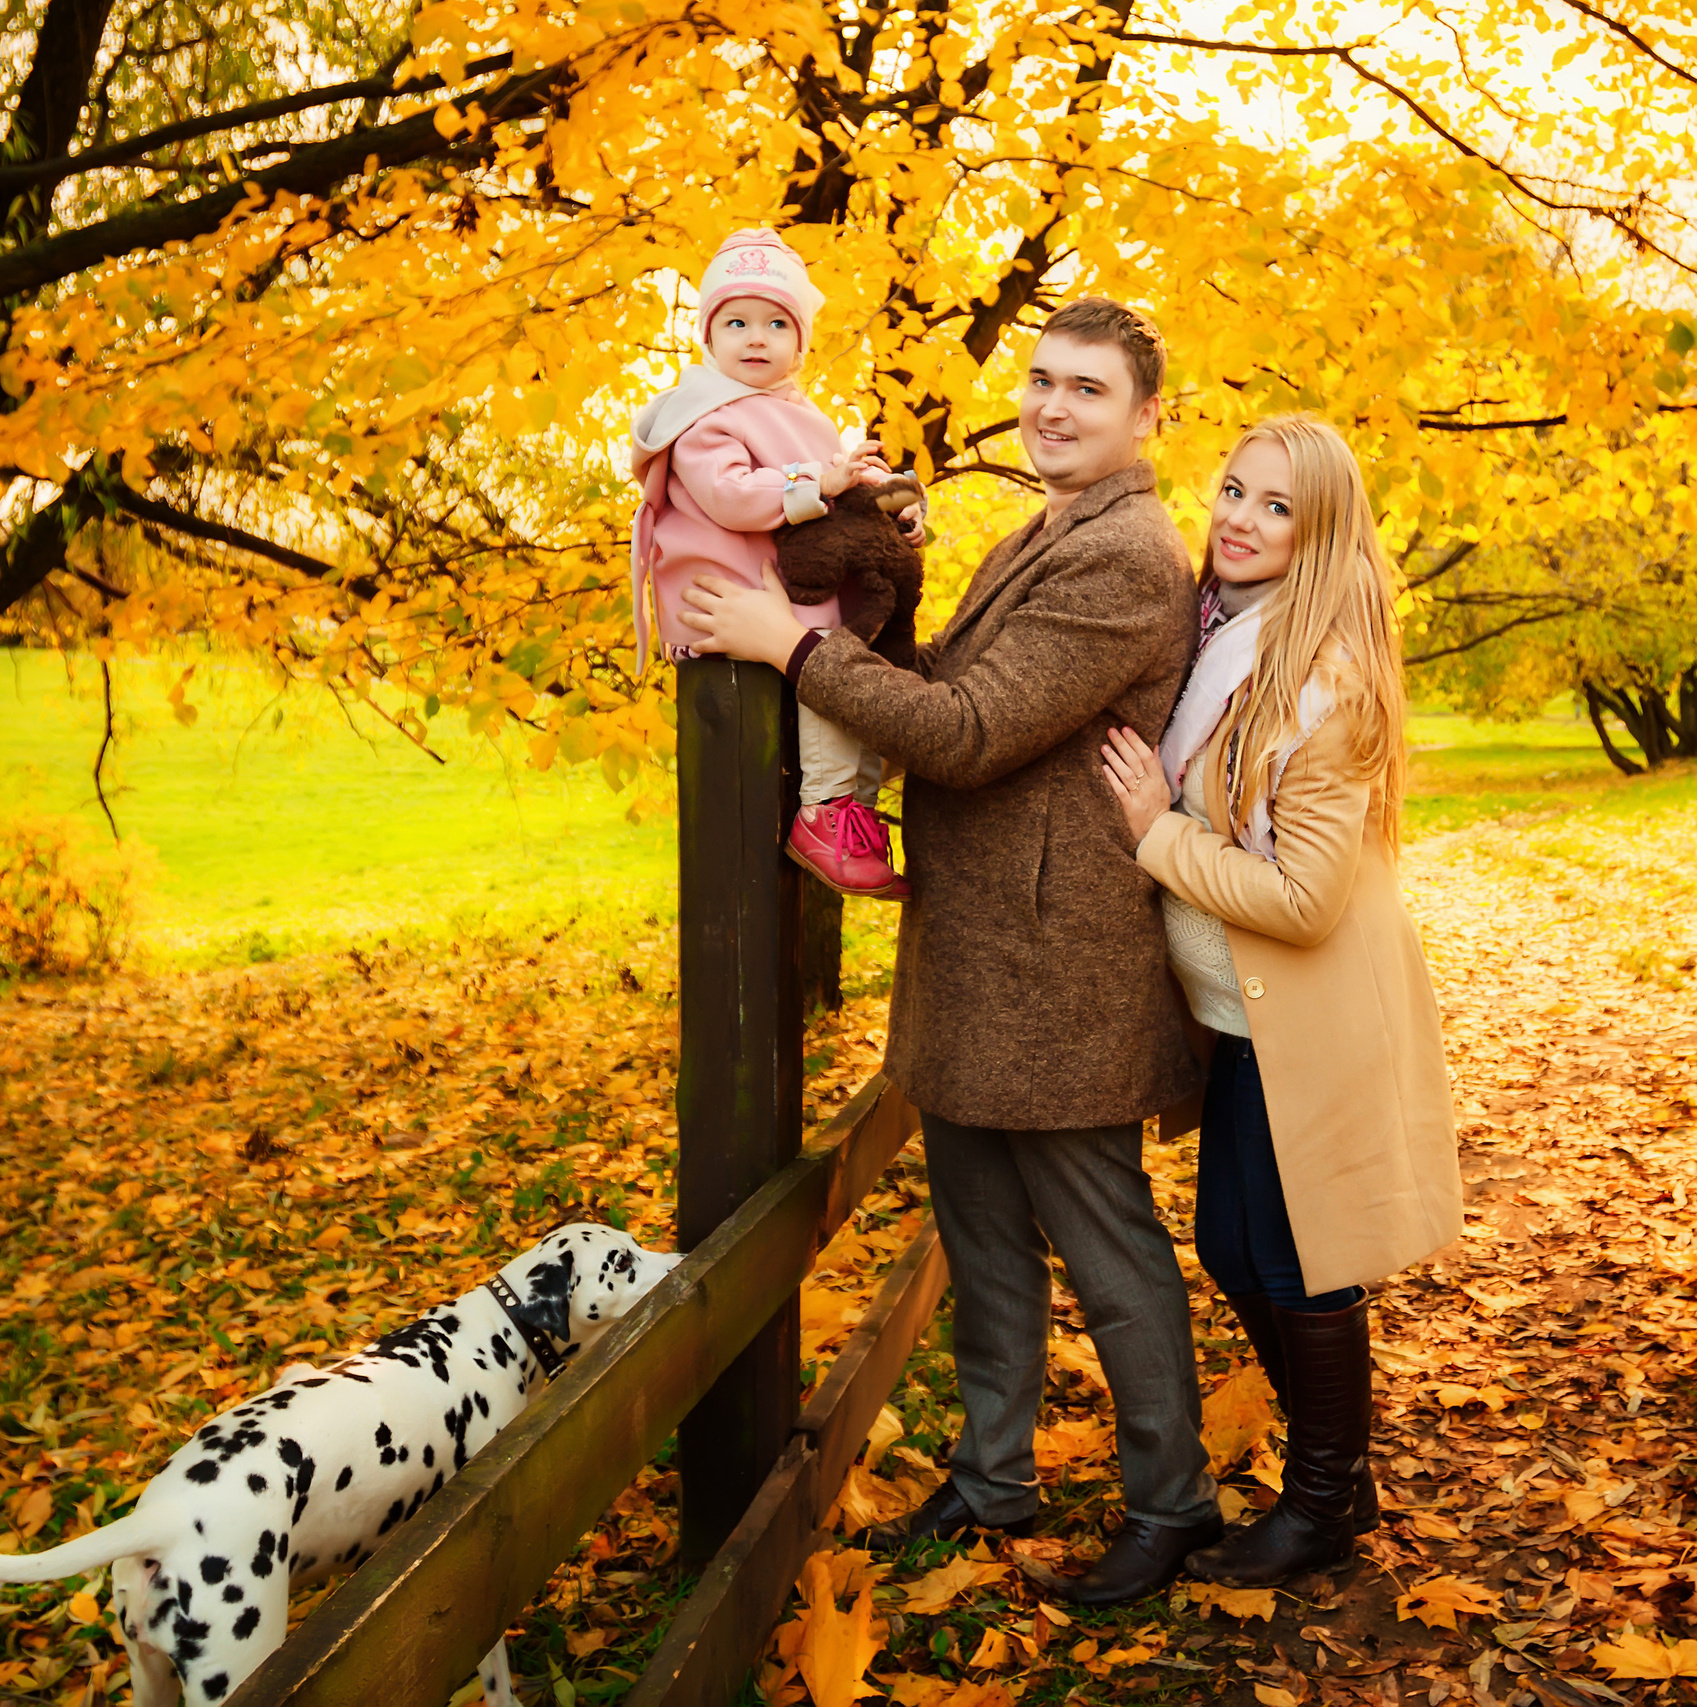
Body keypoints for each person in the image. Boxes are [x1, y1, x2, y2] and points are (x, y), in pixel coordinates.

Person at [680, 298, 1222, 1604]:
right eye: (1040, 381)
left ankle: (1174, 1500)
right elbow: (934, 684)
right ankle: (993, 1474)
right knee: (980, 1234)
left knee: (1106, 1242)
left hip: (1061, 966)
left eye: (1086, 389)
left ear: (1147, 416)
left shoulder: (1129, 557)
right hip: (979, 948)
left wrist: (788, 644)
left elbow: (972, 731)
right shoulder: (1041, 531)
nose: (1049, 405)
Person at [1099, 414, 1463, 1587]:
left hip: (1300, 1018)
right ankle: (1335, 1472)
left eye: (1277, 507)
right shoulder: (1227, 637)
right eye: (1235, 492)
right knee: (1234, 1246)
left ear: (1322, 534)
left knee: (1293, 1262)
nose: (1240, 521)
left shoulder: (1325, 681)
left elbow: (1303, 899)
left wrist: (1154, 833)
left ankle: (1322, 1504)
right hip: (1240, 1021)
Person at [629, 227, 911, 899]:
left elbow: (838, 488)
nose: (756, 337)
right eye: (736, 321)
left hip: (787, 587)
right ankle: (826, 809)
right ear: (707, 336)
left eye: (776, 323)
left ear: (800, 341)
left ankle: (855, 810)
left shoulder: (793, 412)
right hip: (733, 595)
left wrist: (889, 511)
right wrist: (819, 484)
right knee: (822, 664)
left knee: (851, 671)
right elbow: (730, 497)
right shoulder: (704, 416)